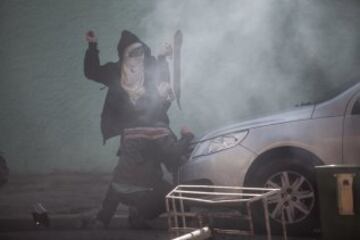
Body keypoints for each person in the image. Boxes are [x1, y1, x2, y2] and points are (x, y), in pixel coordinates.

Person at [83, 30, 194, 229]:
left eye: (141, 51)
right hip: (133, 130)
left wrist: (163, 57)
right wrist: (92, 46)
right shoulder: (116, 71)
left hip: (152, 124)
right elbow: (91, 72)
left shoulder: (150, 66)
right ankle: (130, 213)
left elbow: (163, 81)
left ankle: (128, 215)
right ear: (124, 55)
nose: (139, 57)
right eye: (133, 53)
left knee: (137, 170)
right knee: (130, 169)